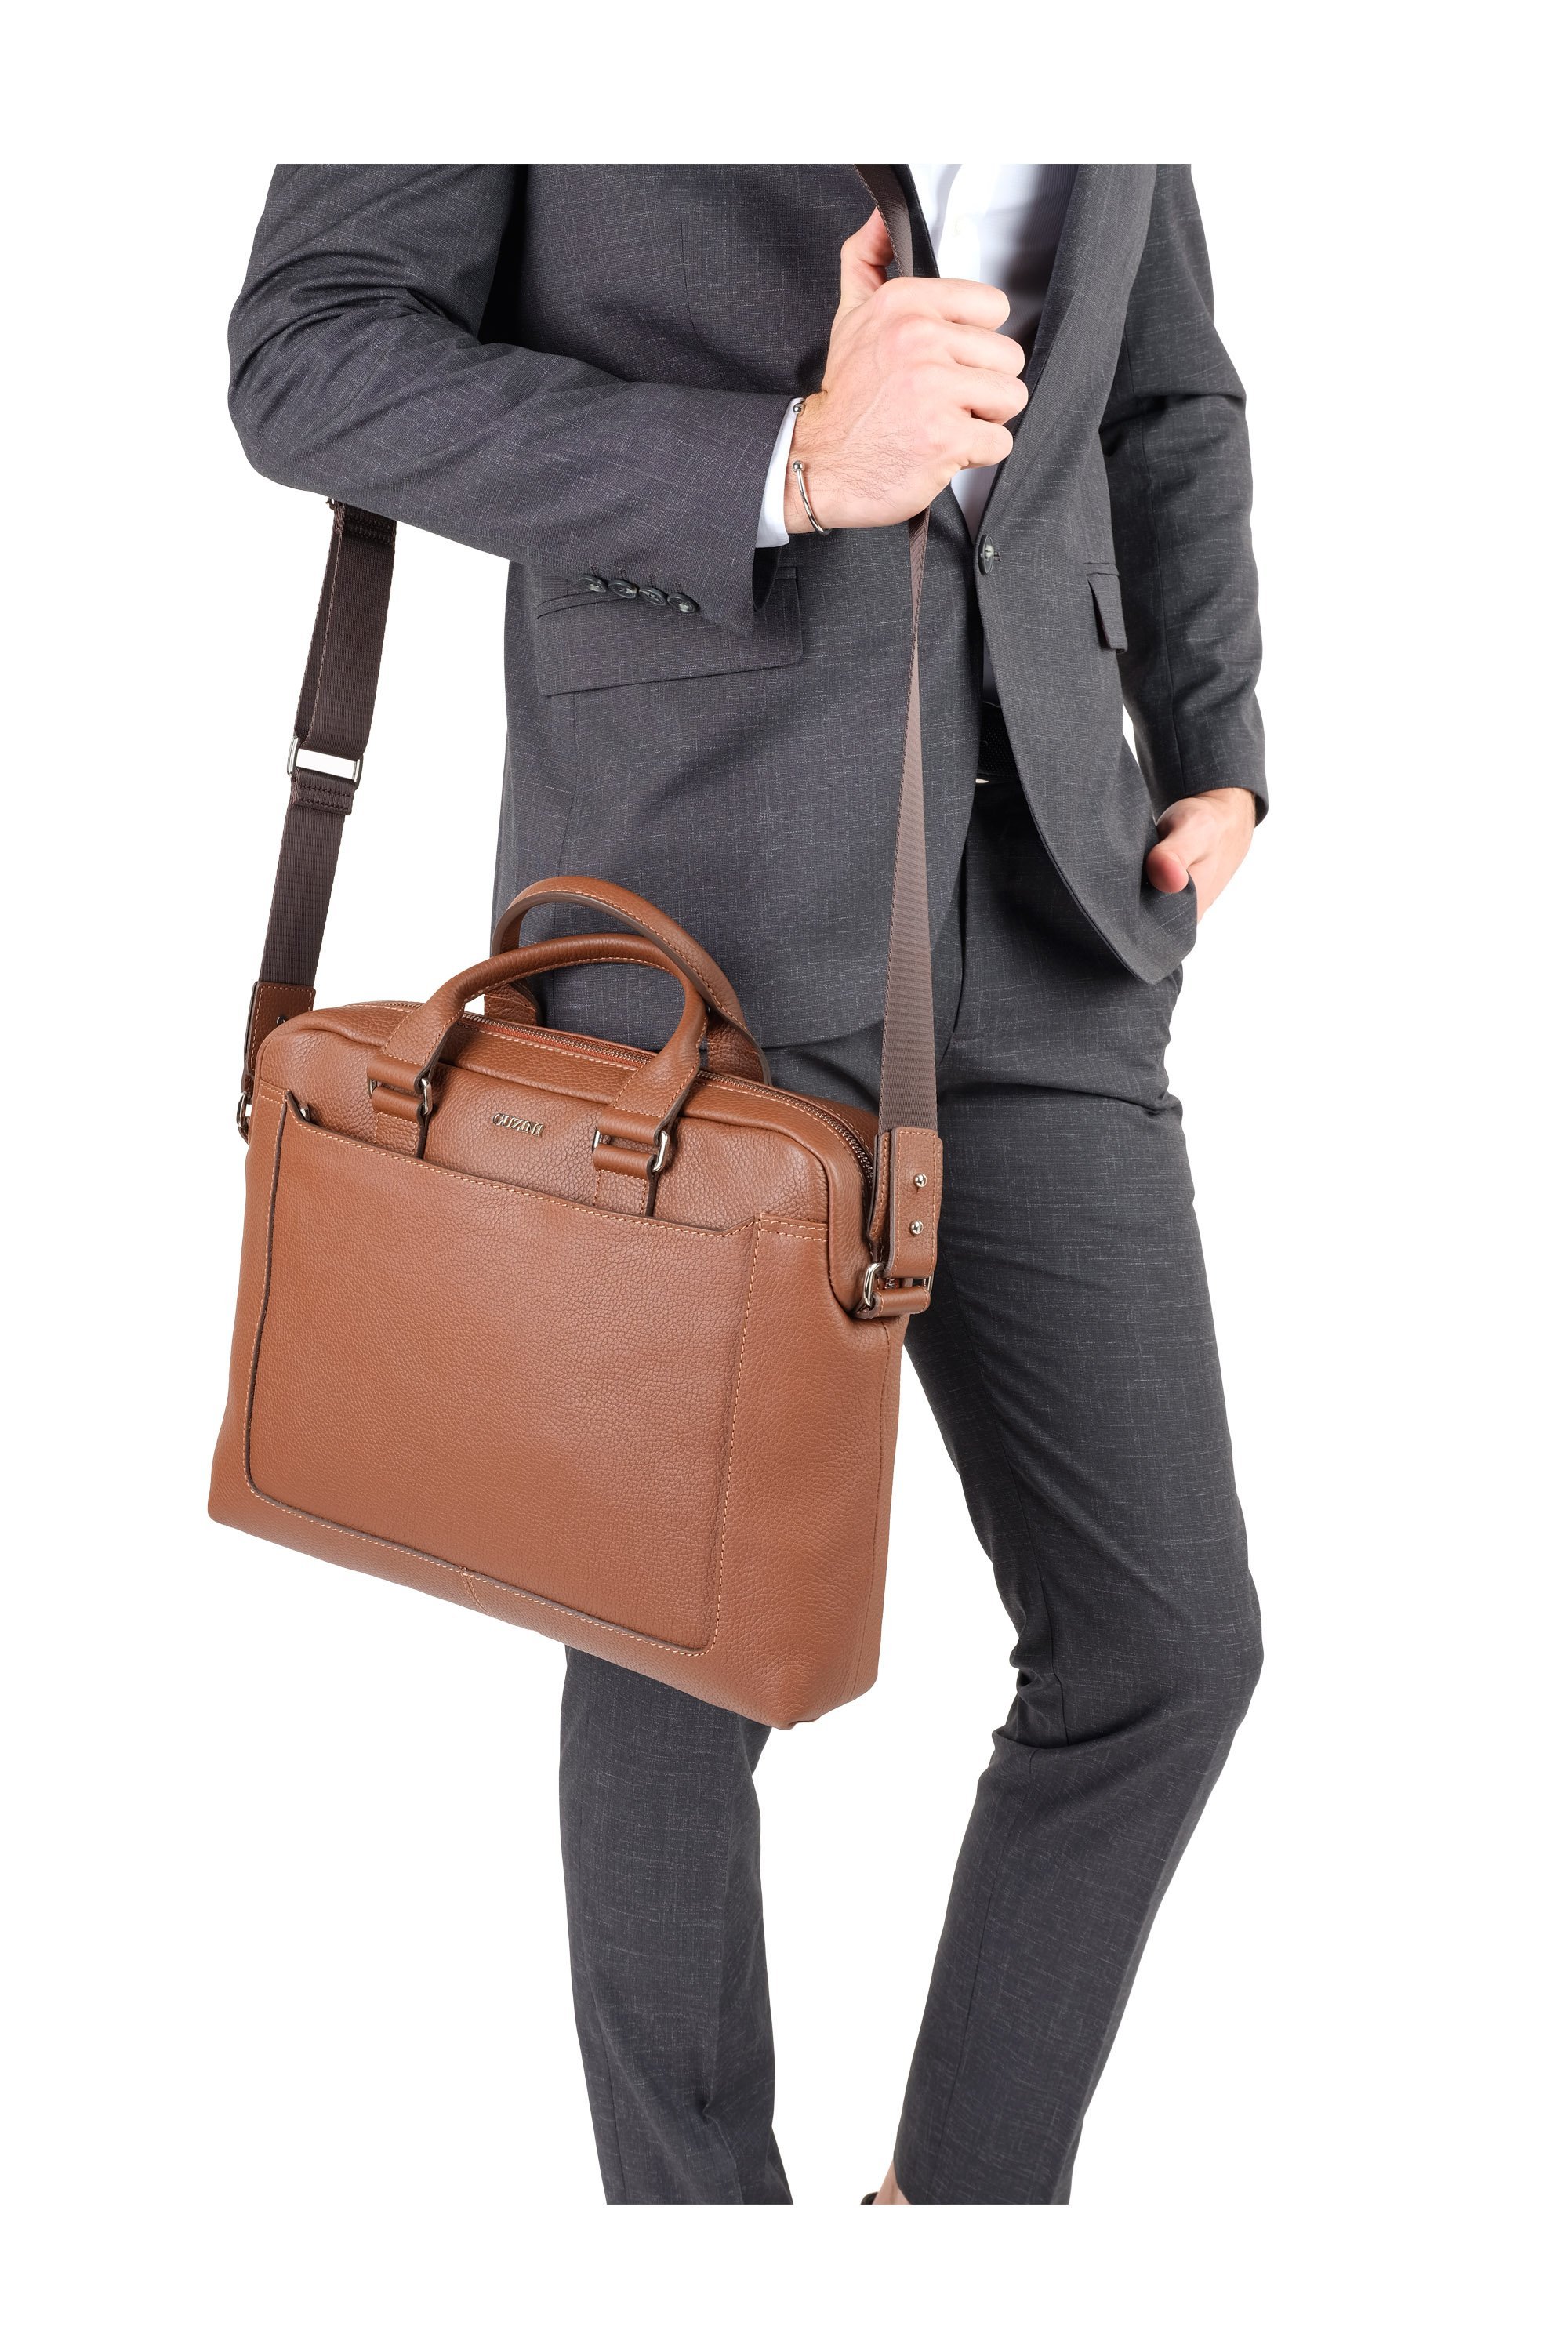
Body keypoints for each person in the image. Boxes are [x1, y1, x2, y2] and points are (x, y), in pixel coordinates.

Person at [229, 164, 1266, 2205]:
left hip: (1056, 894)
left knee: (1167, 1647)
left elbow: (1164, 387)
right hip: (693, 887)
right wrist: (785, 460)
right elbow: (308, 354)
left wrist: (1214, 730)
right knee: (672, 1654)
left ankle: (958, 2218)